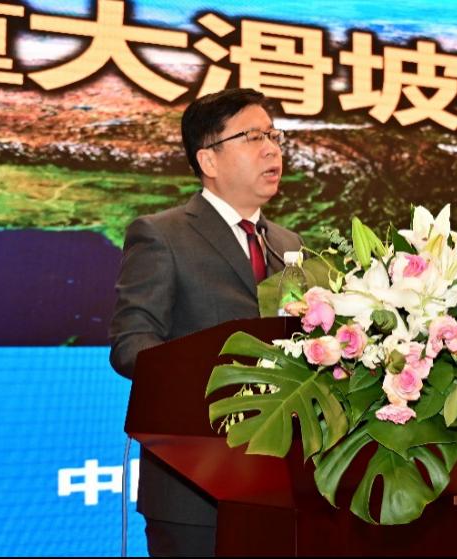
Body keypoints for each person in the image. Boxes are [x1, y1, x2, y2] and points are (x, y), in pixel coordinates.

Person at [109, 88, 302, 556]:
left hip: (284, 484)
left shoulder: (289, 244)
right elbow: (131, 345)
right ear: (208, 159)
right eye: (253, 137)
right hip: (193, 488)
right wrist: (223, 372)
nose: (272, 149)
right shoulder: (162, 235)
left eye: (273, 135)